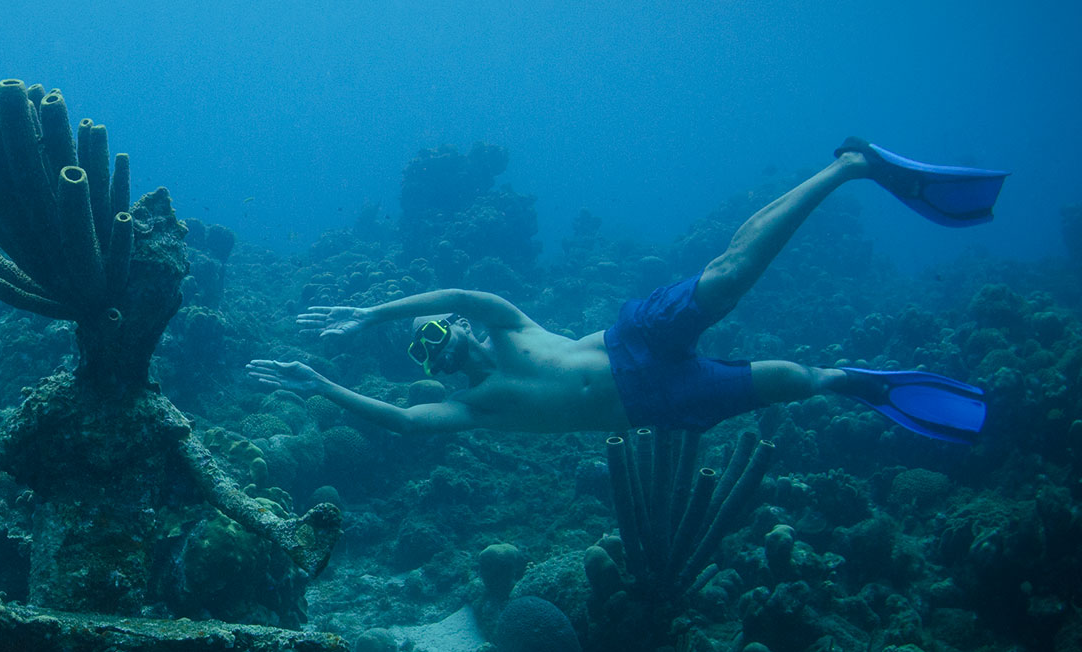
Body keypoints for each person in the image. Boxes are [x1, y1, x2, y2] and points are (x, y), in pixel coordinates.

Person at [247, 139, 1006, 443]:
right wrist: (318, 384)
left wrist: (369, 314)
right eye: (432, 351)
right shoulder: (475, 405)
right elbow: (399, 420)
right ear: (438, 370)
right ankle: (858, 382)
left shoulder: (506, 328)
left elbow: (468, 292)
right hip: (655, 402)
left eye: (443, 332)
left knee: (731, 276)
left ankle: (851, 165)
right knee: (791, 384)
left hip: (632, 341)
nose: (447, 345)